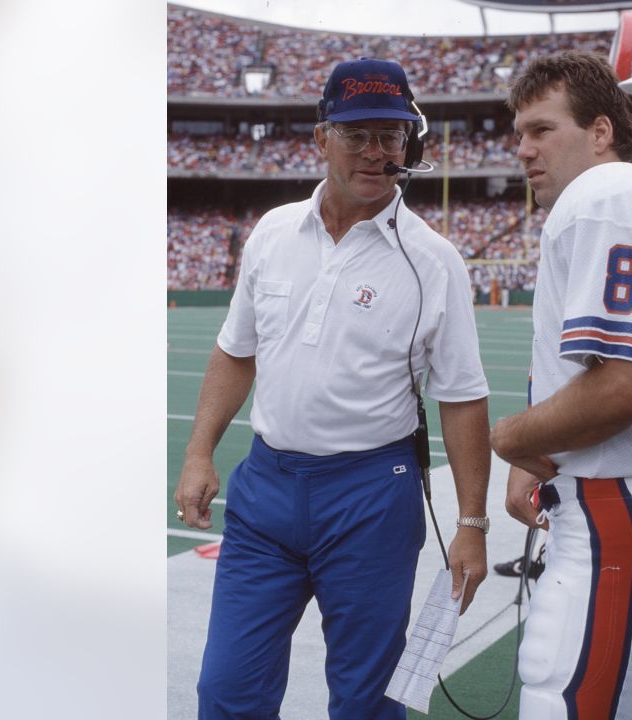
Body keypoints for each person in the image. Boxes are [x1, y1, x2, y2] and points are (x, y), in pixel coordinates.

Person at [174, 58, 492, 720]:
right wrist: (200, 451)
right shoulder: (272, 232)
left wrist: (471, 524)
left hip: (371, 496)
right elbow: (236, 351)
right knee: (227, 690)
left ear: (411, 143)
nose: (377, 153)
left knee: (366, 701)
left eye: (392, 136)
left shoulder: (433, 259)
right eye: (358, 135)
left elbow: (461, 397)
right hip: (266, 488)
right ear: (322, 139)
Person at [490, 51, 632, 720]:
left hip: (613, 506)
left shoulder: (605, 194)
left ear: (600, 133)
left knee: (561, 699)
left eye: (541, 130)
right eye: (518, 134)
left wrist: (509, 437)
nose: (523, 150)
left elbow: (625, 385)